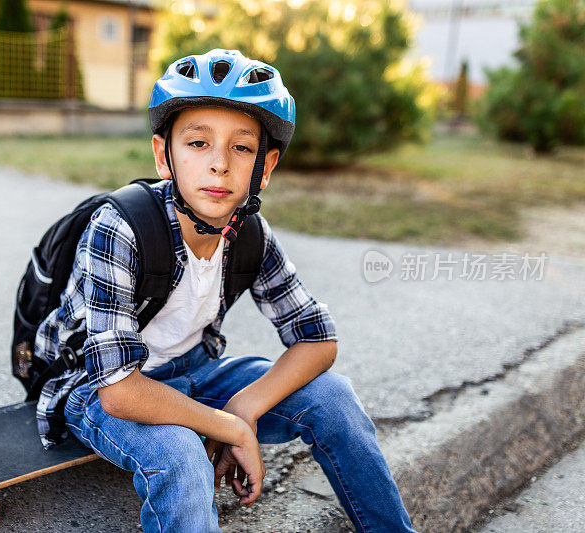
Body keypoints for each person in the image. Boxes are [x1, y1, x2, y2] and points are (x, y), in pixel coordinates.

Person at [34, 48, 416, 532]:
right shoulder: (121, 226)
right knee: (180, 453)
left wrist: (245, 406)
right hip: (98, 386)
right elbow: (118, 392)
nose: (219, 165)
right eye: (197, 143)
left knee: (334, 399)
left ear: (266, 165)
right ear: (163, 155)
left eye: (241, 148)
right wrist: (228, 428)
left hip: (195, 372)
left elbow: (317, 340)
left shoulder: (250, 233)